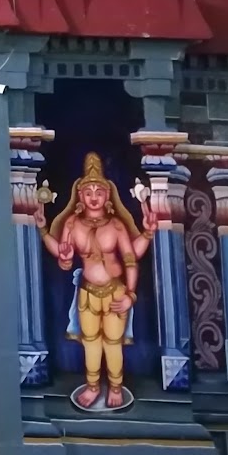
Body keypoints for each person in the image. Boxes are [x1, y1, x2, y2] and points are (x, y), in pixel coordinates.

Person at [37, 152, 159, 409]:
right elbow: (63, 256)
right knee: (90, 342)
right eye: (88, 191)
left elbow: (131, 259)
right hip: (87, 293)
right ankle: (93, 386)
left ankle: (115, 387)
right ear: (79, 195)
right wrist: (43, 230)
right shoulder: (72, 223)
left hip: (115, 292)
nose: (94, 196)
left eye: (99, 191)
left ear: (108, 195)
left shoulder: (116, 226)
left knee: (112, 343)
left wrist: (131, 295)